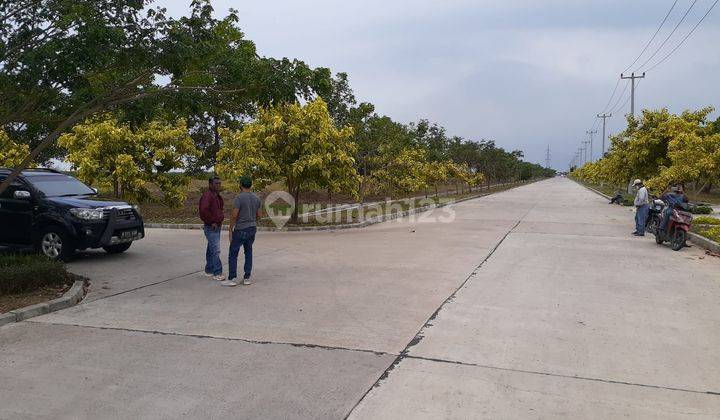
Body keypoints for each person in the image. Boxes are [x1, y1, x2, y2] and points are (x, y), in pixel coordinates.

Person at [223, 176, 262, 287]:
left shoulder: (239, 198)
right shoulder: (256, 198)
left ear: (240, 185)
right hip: (252, 228)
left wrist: (231, 229)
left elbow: (234, 215)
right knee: (248, 252)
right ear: (251, 185)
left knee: (233, 253)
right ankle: (247, 278)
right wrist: (252, 220)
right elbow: (259, 215)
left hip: (241, 229)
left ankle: (232, 278)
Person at [199, 176, 225, 281]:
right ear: (210, 185)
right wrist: (212, 221)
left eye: (219, 183)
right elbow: (203, 211)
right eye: (216, 183)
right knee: (216, 250)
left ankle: (209, 270)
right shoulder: (207, 196)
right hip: (211, 227)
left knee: (211, 249)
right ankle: (217, 273)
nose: (218, 185)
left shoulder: (216, 196)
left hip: (216, 226)